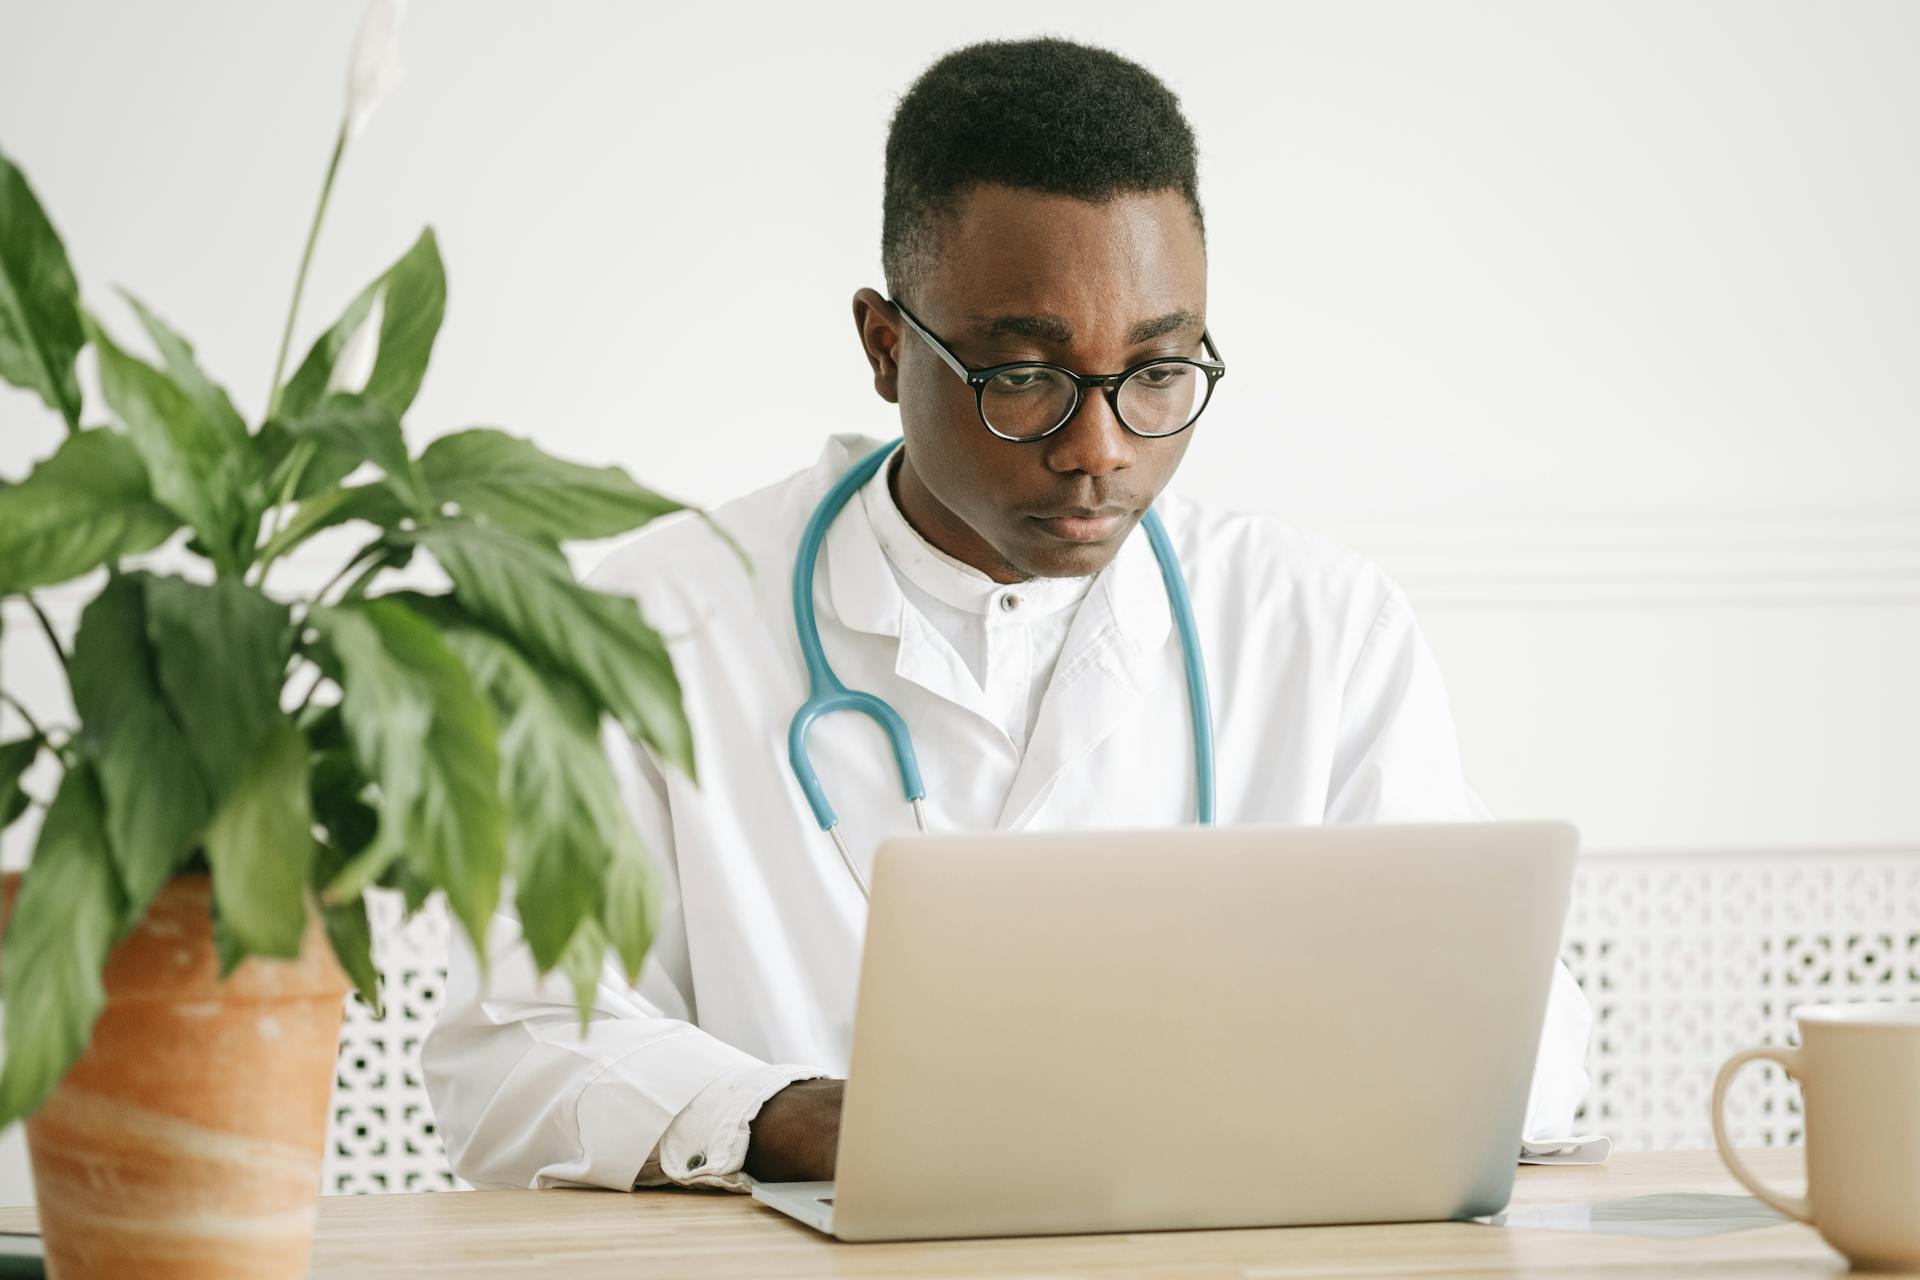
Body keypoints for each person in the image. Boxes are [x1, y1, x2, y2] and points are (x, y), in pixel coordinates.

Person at [421, 36, 1593, 1193]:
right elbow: (510, 1055)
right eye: (1025, 375)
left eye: (1159, 370)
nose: (1100, 449)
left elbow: (1528, 1047)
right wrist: (807, 1116)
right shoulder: (650, 623)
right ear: (886, 347)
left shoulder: (1318, 627)